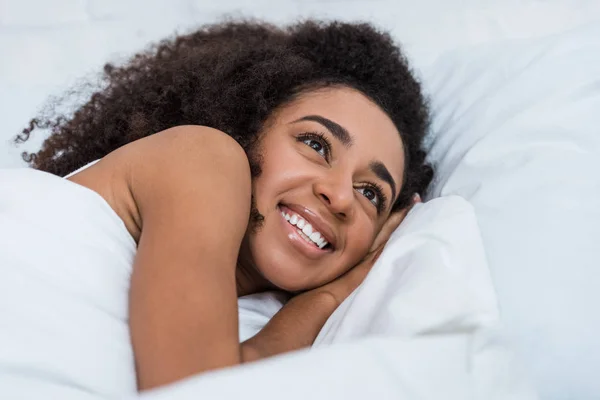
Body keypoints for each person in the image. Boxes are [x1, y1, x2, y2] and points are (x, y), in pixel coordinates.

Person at [14, 20, 433, 391]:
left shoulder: (264, 315)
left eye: (370, 193)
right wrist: (328, 297)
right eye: (314, 144)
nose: (341, 196)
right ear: (248, 126)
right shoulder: (204, 156)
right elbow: (201, 391)